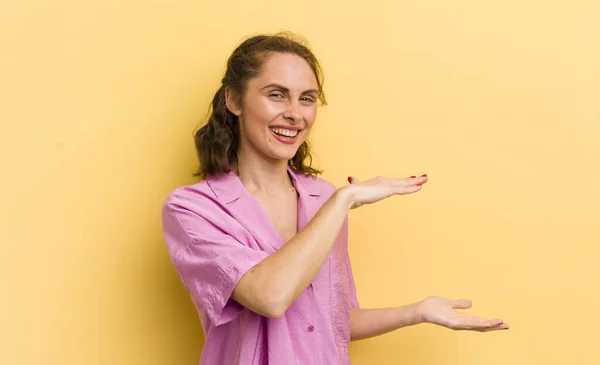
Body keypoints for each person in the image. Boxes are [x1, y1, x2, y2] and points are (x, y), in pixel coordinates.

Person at [161, 32, 509, 365]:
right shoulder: (193, 209)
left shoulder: (322, 197)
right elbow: (270, 297)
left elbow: (330, 319)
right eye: (277, 94)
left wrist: (417, 312)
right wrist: (344, 200)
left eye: (307, 98)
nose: (295, 113)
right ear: (234, 99)